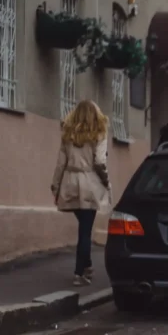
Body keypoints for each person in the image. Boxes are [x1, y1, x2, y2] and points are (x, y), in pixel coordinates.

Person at [51, 100, 112, 286]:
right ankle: (80, 273)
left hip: (70, 181)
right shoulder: (99, 133)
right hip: (89, 182)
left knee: (84, 226)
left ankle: (87, 265)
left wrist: (55, 185)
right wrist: (106, 181)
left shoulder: (68, 134)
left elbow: (61, 162)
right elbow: (100, 161)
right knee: (85, 230)